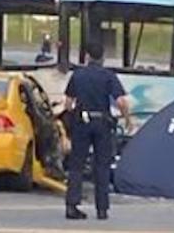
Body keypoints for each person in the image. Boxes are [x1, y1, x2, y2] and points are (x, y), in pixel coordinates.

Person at [64, 43, 132, 221]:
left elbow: (68, 103)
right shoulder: (108, 76)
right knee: (101, 166)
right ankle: (102, 209)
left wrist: (70, 119)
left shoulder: (77, 75)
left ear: (86, 56)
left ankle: (72, 206)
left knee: (77, 165)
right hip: (102, 123)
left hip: (82, 123)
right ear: (103, 58)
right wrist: (128, 120)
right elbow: (121, 102)